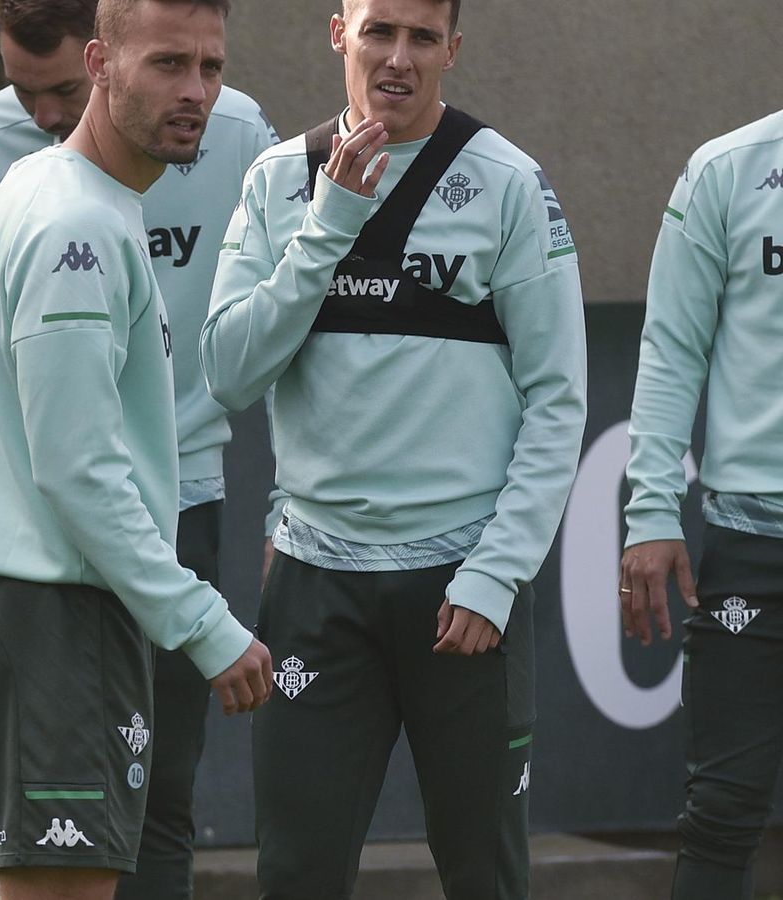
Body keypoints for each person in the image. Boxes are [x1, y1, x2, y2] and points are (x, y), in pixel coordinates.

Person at [201, 0, 587, 896]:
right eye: (379, 32)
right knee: (296, 874)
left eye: (422, 38)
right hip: (315, 587)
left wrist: (496, 576)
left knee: (483, 874)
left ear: (453, 48)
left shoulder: (508, 182)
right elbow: (227, 370)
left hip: (464, 589)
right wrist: (329, 222)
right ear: (340, 33)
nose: (398, 59)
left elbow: (559, 403)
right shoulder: (276, 180)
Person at [0, 2, 276, 897]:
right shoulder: (74, 222)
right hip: (54, 619)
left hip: (45, 613)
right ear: (100, 64)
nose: (193, 92)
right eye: (166, 64)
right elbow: (78, 467)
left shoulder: (61, 193)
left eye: (210, 67)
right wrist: (200, 622)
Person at [619, 108, 783, 899]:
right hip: (750, 543)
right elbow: (672, 346)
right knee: (721, 813)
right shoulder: (729, 167)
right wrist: (650, 511)